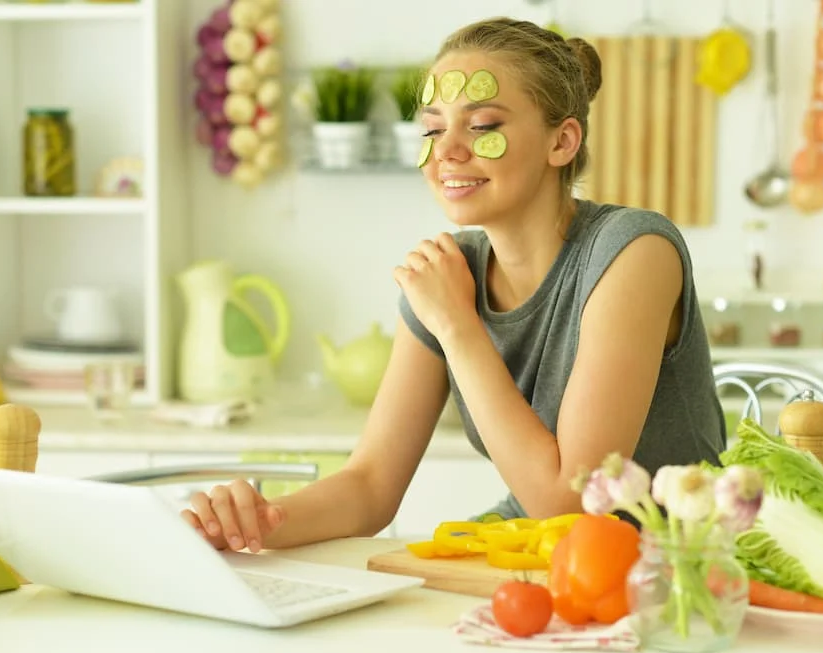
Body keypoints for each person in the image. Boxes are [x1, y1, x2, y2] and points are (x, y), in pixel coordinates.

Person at [181, 17, 725, 554]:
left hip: (675, 560)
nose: (447, 151)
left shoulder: (633, 251)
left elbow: (570, 504)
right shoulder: (451, 273)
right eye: (433, 128)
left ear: (561, 142)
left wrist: (457, 326)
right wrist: (251, 524)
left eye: (483, 126)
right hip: (537, 548)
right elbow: (371, 486)